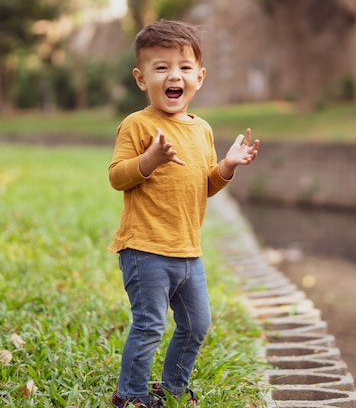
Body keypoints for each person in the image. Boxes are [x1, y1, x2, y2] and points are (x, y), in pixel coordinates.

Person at [108, 20, 259, 408]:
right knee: (149, 325)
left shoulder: (202, 130)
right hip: (145, 249)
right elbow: (117, 177)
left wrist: (226, 166)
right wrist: (150, 159)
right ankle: (132, 395)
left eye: (184, 67)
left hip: (188, 251)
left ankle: (173, 387)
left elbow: (204, 185)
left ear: (200, 76)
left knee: (197, 324)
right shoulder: (138, 125)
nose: (174, 75)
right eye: (161, 68)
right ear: (141, 79)